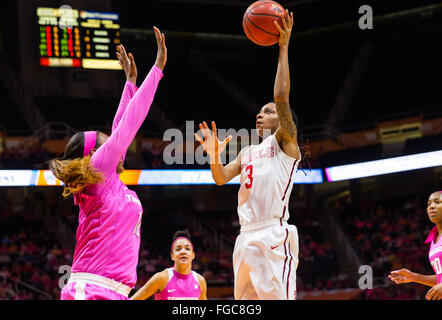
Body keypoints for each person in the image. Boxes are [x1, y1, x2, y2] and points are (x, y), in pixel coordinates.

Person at [49, 26, 167, 300]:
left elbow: (119, 130)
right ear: (94, 156)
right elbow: (126, 127)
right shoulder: (96, 172)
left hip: (113, 291)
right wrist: (157, 69)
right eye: (107, 142)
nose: (114, 142)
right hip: (92, 289)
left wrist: (130, 82)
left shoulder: (108, 181)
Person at [195, 10, 301, 300]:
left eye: (267, 111)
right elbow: (219, 179)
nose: (260, 113)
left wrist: (283, 46)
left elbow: (281, 97)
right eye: (260, 110)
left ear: (283, 119)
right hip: (245, 237)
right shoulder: (248, 151)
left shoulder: (287, 144)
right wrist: (215, 155)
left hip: (273, 235)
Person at [389, 191, 442, 300]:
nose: (431, 206)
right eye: (429, 204)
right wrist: (414, 277)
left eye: (437, 202)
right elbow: (440, 279)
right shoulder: (433, 240)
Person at [130, 230, 207, 300]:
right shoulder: (162, 278)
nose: (183, 252)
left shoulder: (200, 281)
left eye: (187, 249)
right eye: (178, 249)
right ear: (172, 256)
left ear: (193, 255)